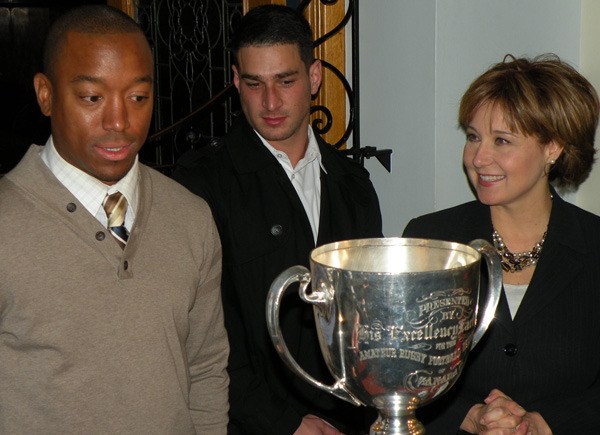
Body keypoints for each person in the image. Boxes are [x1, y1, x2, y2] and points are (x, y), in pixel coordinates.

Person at [0, 5, 229, 433]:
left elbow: (206, 369)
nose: (120, 122)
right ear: (45, 94)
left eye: (138, 97)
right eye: (92, 98)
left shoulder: (191, 219)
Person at [173, 4, 382, 434]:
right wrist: (285, 423)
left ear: (314, 77)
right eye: (254, 84)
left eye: (285, 81)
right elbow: (199, 334)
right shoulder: (200, 185)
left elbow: (370, 318)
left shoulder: (354, 185)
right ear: (235, 81)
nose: (270, 102)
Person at [403, 54, 600, 434]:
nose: (479, 158)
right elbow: (399, 371)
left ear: (553, 148)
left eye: (502, 141)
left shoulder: (595, 247)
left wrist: (544, 425)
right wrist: (467, 415)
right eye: (473, 137)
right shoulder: (429, 241)